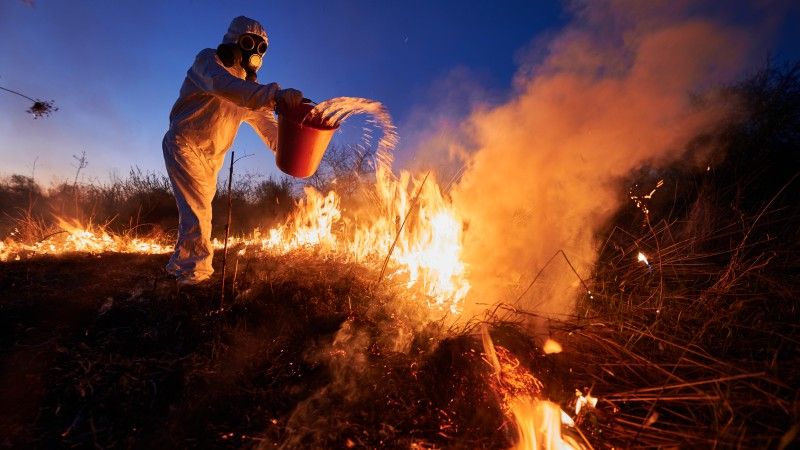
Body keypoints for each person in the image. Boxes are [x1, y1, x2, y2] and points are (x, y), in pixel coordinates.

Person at [163, 16, 303, 285]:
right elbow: (224, 86)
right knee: (198, 212)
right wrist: (274, 94)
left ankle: (180, 264)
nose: (255, 52)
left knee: (196, 211)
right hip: (184, 143)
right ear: (233, 43)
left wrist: (292, 149)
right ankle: (194, 276)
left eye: (261, 48)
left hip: (211, 158)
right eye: (250, 43)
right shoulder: (208, 63)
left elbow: (268, 127)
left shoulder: (249, 92)